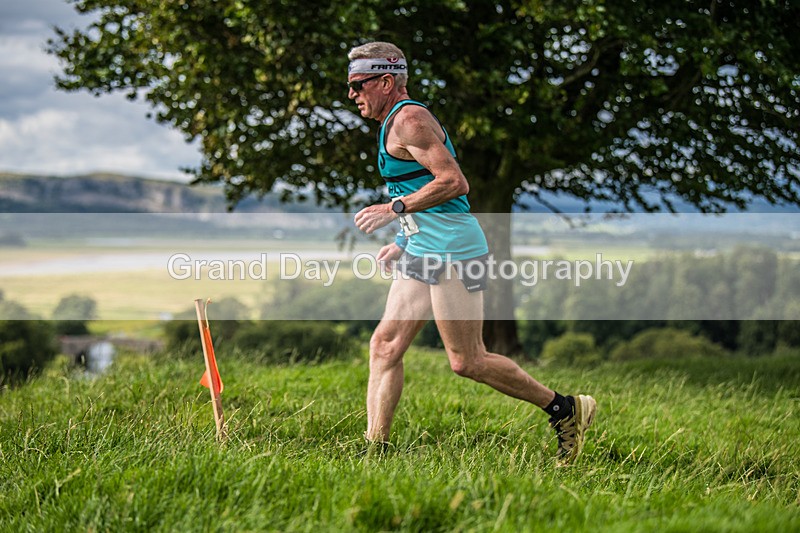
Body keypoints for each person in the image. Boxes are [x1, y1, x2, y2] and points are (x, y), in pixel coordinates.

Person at [349, 41, 596, 464]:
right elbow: (418, 189)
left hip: (454, 253)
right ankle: (376, 450)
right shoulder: (392, 122)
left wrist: (394, 210)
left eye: (358, 84)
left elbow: (453, 182)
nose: (352, 94)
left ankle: (565, 409)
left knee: (467, 360)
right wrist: (404, 239)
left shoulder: (410, 119)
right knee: (385, 345)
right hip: (423, 249)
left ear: (386, 81)